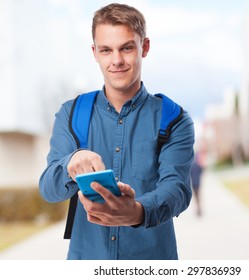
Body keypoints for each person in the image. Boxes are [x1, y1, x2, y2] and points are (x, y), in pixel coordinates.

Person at [39, 3, 194, 260]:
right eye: (106, 50)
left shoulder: (174, 119)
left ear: (144, 47)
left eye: (127, 47)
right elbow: (48, 189)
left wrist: (138, 211)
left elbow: (177, 188)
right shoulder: (71, 113)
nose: (117, 60)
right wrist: (70, 163)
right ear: (95, 53)